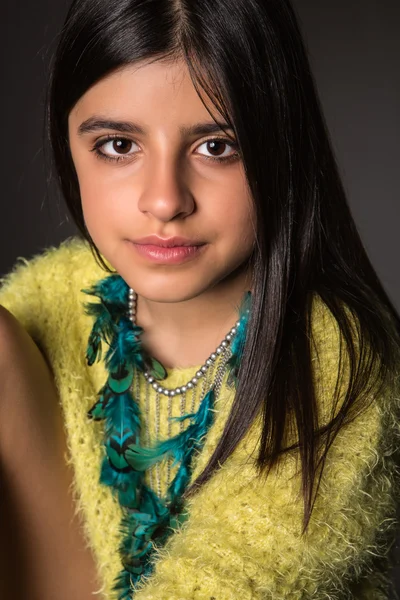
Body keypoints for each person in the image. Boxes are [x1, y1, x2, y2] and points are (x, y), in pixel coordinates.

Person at [1, 0, 400, 598]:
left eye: (217, 147)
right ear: (68, 145)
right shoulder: (43, 301)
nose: (164, 201)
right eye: (117, 145)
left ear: (281, 152)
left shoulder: (338, 363)